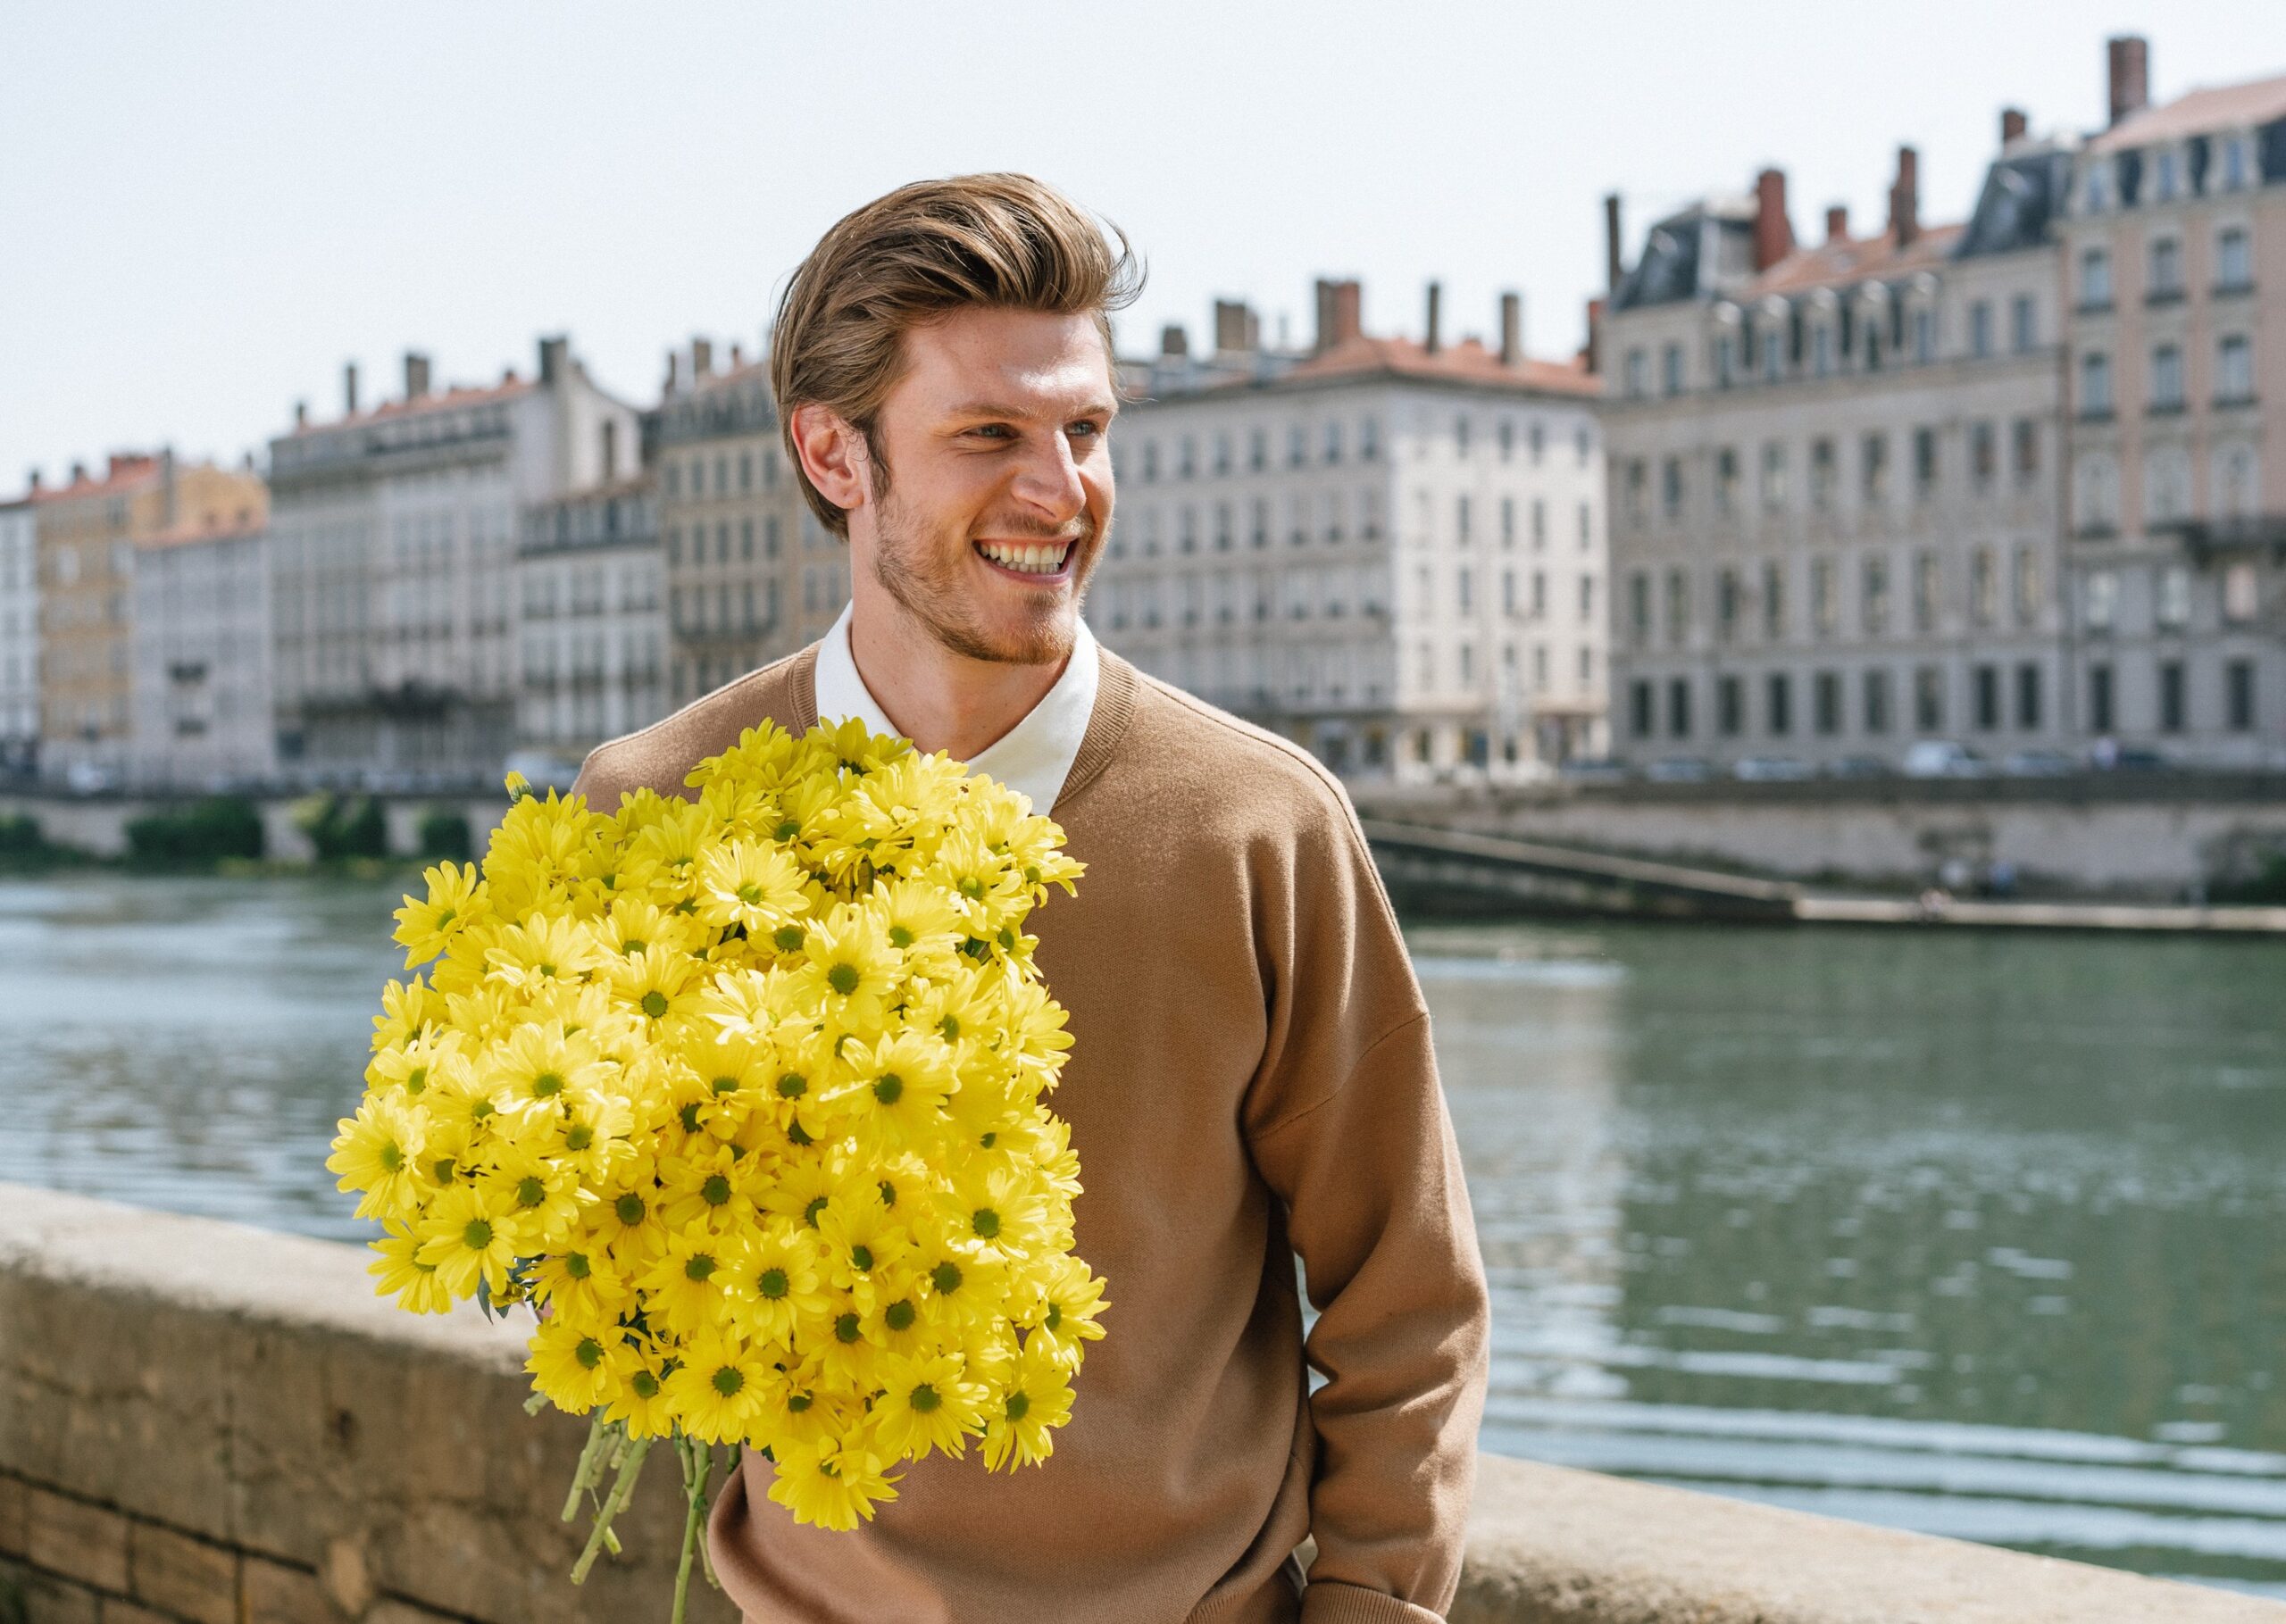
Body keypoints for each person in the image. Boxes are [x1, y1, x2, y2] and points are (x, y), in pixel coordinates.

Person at [575, 174, 1489, 1624]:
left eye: (1085, 429)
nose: (1060, 492)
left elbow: (1409, 1305)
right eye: (990, 434)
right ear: (833, 455)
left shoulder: (1261, 826)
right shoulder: (651, 813)